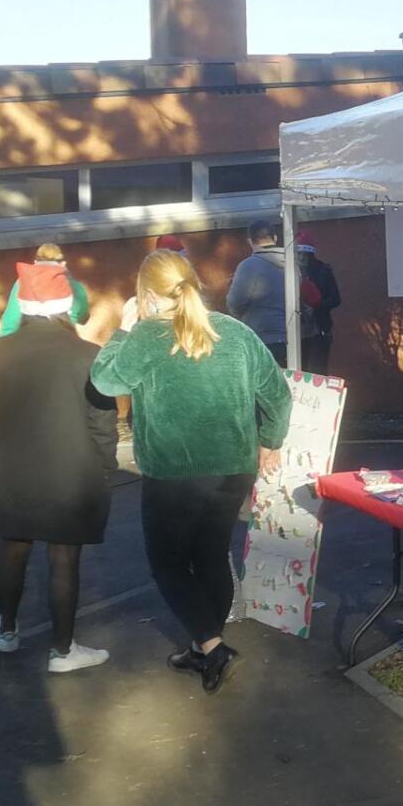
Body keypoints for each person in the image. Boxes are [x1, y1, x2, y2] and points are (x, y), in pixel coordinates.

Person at [92, 251, 291, 693]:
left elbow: (105, 382)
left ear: (147, 294)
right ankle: (203, 649)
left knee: (169, 565)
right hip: (234, 469)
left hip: (174, 474)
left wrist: (122, 330)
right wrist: (270, 442)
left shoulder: (145, 336)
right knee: (211, 555)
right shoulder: (235, 332)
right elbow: (277, 393)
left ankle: (213, 646)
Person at [0, 261, 119, 672]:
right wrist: (104, 466)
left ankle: (6, 630)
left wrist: (8, 446)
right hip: (73, 473)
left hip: (14, 469)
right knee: (64, 559)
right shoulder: (88, 355)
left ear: (23, 306)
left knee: (12, 549)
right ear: (65, 306)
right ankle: (63, 651)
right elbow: (102, 421)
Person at [227, 219, 321, 367]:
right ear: (275, 238)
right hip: (294, 338)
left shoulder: (248, 266)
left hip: (262, 337)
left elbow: (235, 303)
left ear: (250, 241)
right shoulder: (293, 264)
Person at [0, 244, 90, 337]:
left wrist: (4, 342)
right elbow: (83, 318)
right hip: (64, 340)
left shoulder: (22, 283)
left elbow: (10, 322)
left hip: (29, 340)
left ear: (35, 262)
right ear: (63, 264)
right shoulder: (75, 286)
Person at [295, 229, 343, 374]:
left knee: (318, 372)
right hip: (295, 330)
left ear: (311, 254)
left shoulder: (323, 271)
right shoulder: (287, 271)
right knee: (298, 372)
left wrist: (316, 306)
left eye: (306, 254)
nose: (302, 257)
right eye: (299, 254)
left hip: (319, 328)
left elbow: (335, 299)